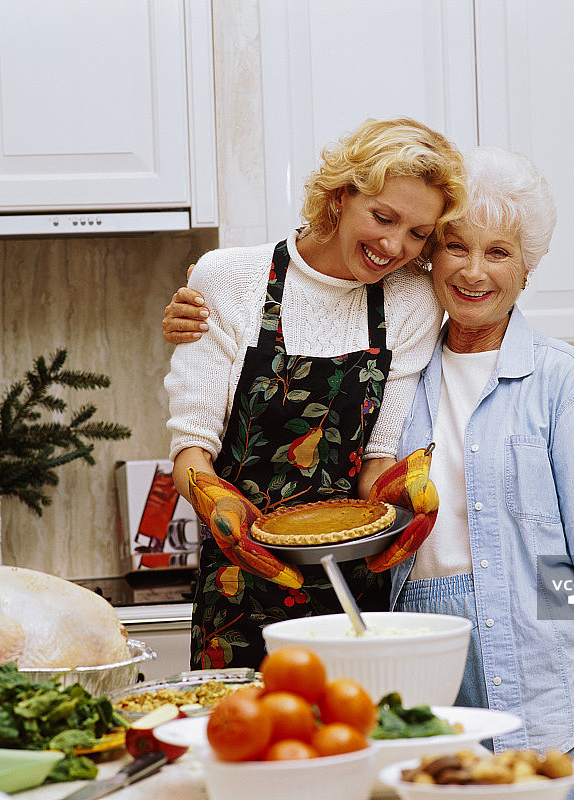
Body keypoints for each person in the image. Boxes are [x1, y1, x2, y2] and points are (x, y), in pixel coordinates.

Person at [163, 145, 574, 796]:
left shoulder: (560, 381)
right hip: (430, 694)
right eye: (457, 247)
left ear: (527, 267)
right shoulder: (389, 370)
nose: (475, 272)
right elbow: (298, 296)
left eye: (500, 252)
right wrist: (198, 303)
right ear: (429, 258)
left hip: (560, 688)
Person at [164, 117, 467, 670]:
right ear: (342, 194)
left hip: (354, 590)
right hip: (238, 582)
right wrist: (215, 501)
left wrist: (404, 493)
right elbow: (190, 450)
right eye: (383, 217)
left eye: (419, 234)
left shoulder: (412, 302)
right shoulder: (230, 279)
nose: (394, 245)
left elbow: (375, 461)